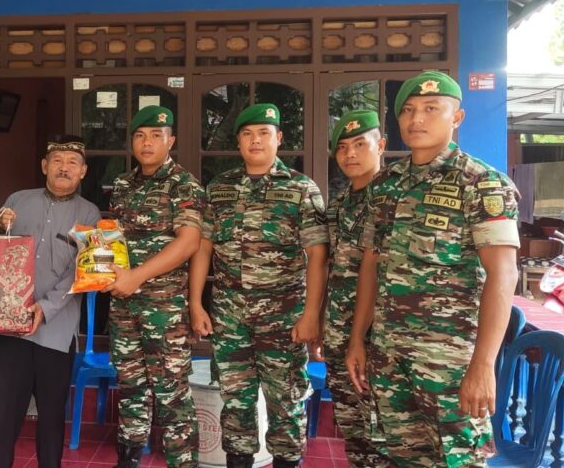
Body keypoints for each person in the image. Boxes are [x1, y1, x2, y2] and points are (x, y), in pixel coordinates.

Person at [346, 71, 520, 467]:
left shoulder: (481, 183)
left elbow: (503, 274)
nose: (416, 119)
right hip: (390, 355)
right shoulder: (386, 185)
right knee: (404, 457)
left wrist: (483, 365)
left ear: (456, 118)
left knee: (459, 460)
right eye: (408, 110)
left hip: (450, 362)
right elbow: (371, 263)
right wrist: (358, 339)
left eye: (430, 108)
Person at [189, 103, 328, 468]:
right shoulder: (219, 188)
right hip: (230, 316)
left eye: (264, 133)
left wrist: (311, 315)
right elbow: (203, 247)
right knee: (235, 400)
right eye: (247, 134)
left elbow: (318, 254)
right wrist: (196, 303)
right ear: (238, 142)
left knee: (286, 401)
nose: (255, 140)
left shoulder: (300, 188)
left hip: (284, 317)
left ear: (278, 138)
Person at [0, 135, 101, 468]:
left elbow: (82, 271)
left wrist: (45, 307)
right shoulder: (18, 200)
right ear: (44, 166)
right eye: (57, 161)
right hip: (9, 329)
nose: (64, 167)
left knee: (51, 423)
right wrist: (0, 229)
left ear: (83, 171)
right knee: (1, 421)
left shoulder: (89, 214)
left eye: (73, 162)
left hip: (56, 335)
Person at [106, 105, 204, 468]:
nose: (147, 143)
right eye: (140, 136)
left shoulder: (183, 184)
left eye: (156, 136)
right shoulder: (122, 184)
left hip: (164, 312)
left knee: (171, 394)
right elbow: (114, 240)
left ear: (170, 141)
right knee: (130, 388)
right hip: (123, 307)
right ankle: (128, 460)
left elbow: (189, 242)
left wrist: (136, 276)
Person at [323, 110, 393, 466]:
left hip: (380, 337)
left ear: (381, 146)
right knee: (353, 427)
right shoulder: (339, 203)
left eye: (360, 144)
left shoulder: (395, 199)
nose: (350, 154)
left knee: (382, 430)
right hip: (339, 332)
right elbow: (332, 269)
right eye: (342, 147)